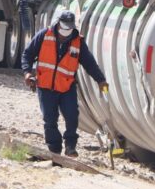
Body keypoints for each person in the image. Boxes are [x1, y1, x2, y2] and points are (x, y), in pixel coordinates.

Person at [20, 10, 108, 157]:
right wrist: (27, 72)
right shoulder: (44, 35)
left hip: (67, 87)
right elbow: (27, 55)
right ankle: (54, 149)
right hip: (46, 86)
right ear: (58, 23)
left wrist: (101, 80)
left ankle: (70, 147)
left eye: (70, 28)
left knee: (72, 116)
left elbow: (89, 63)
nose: (67, 31)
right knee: (49, 119)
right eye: (64, 27)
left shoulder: (78, 42)